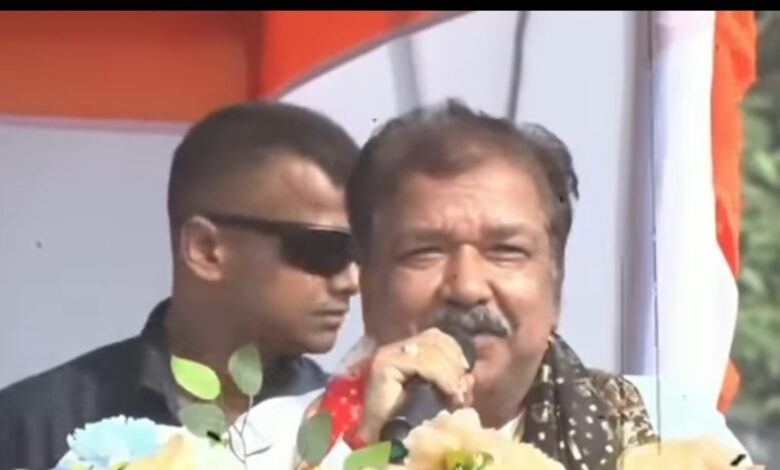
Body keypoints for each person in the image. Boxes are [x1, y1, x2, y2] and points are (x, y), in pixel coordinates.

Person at [0, 101, 360, 470]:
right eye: (326, 248)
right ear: (205, 249)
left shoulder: (359, 434)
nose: (352, 281)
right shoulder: (31, 428)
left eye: (361, 250)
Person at [302, 99, 657, 470]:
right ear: (370, 288)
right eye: (425, 252)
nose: (467, 287)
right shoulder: (276, 442)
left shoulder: (660, 438)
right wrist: (371, 451)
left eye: (506, 250)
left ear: (556, 284)